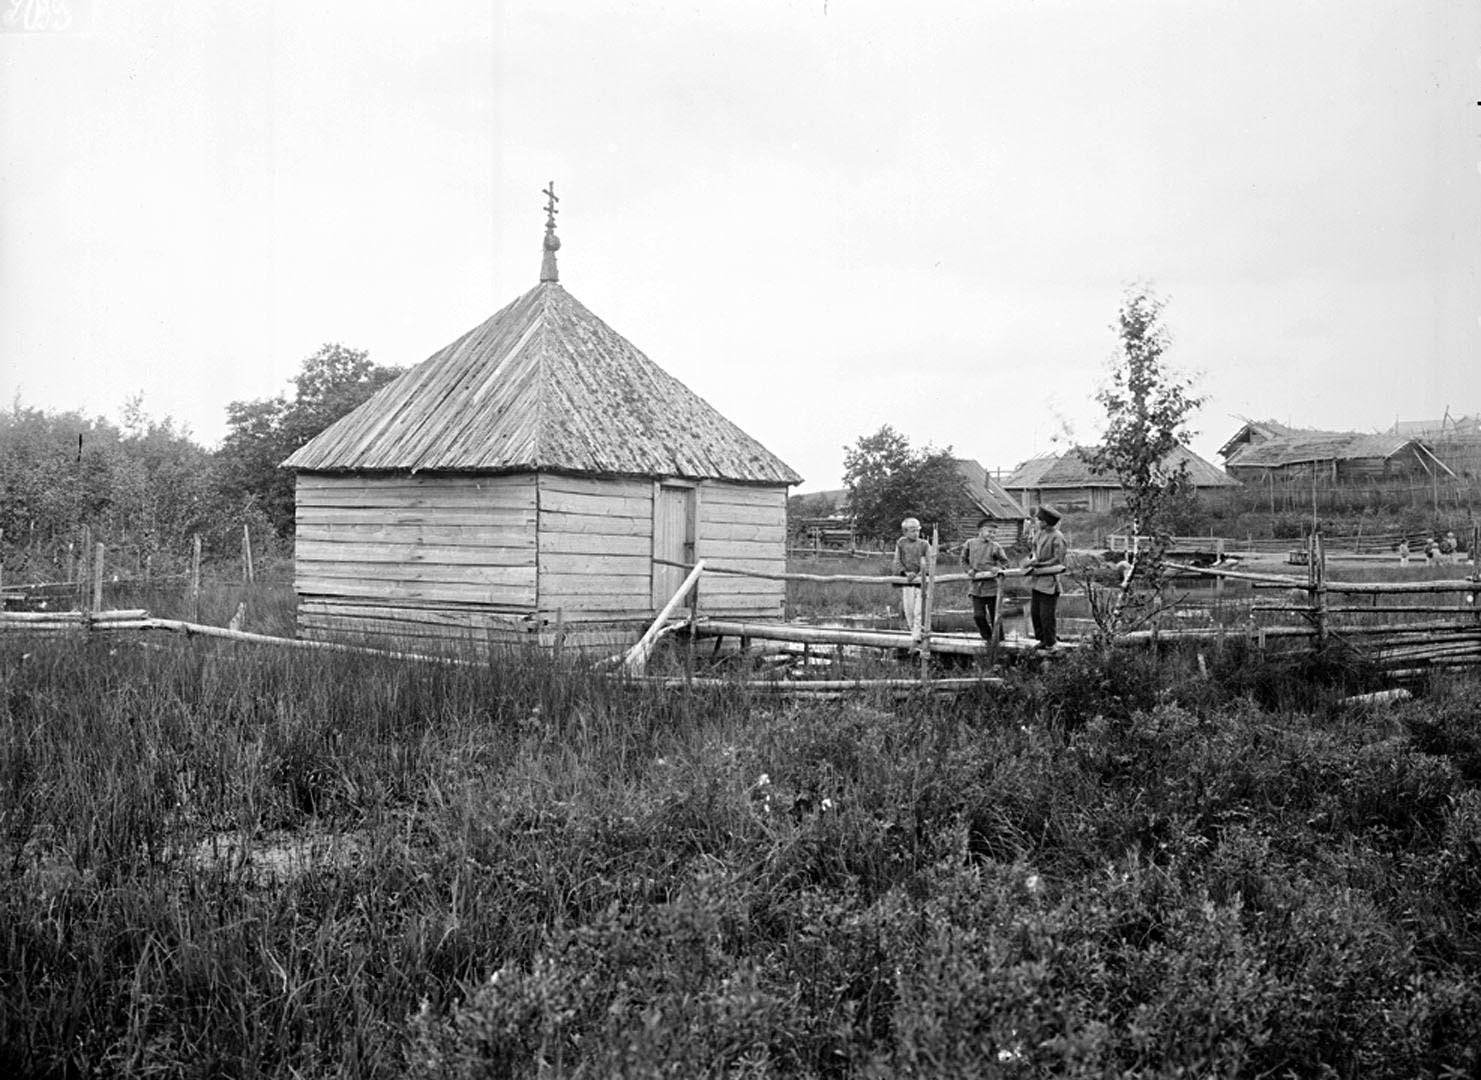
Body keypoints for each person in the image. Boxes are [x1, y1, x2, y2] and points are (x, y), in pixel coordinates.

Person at [1022, 505, 1068, 649]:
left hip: (1049, 583)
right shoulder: (1040, 534)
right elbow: (1034, 550)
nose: (1036, 522)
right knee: (1035, 613)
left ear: (1045, 522)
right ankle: (1042, 639)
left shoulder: (1058, 537)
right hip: (1037, 582)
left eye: (1038, 520)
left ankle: (1050, 643)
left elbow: (1058, 560)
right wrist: (1031, 560)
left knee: (1046, 615)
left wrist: (1040, 565)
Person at [961, 516, 1010, 643]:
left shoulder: (995, 547)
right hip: (976, 587)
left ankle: (999, 639)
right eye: (989, 532)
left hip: (992, 587)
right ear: (981, 531)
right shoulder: (970, 544)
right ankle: (987, 637)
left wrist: (997, 568)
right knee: (978, 615)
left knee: (995, 614)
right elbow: (963, 560)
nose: (992, 535)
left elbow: (1005, 563)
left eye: (994, 533)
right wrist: (968, 570)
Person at [891, 517, 932, 640]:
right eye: (912, 530)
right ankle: (914, 634)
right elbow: (897, 561)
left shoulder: (924, 544)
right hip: (907, 581)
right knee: (909, 610)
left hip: (921, 582)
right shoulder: (901, 543)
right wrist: (905, 572)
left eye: (917, 530)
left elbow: (929, 562)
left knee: (919, 611)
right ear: (905, 532)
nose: (916, 533)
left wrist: (920, 574)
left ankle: (917, 638)